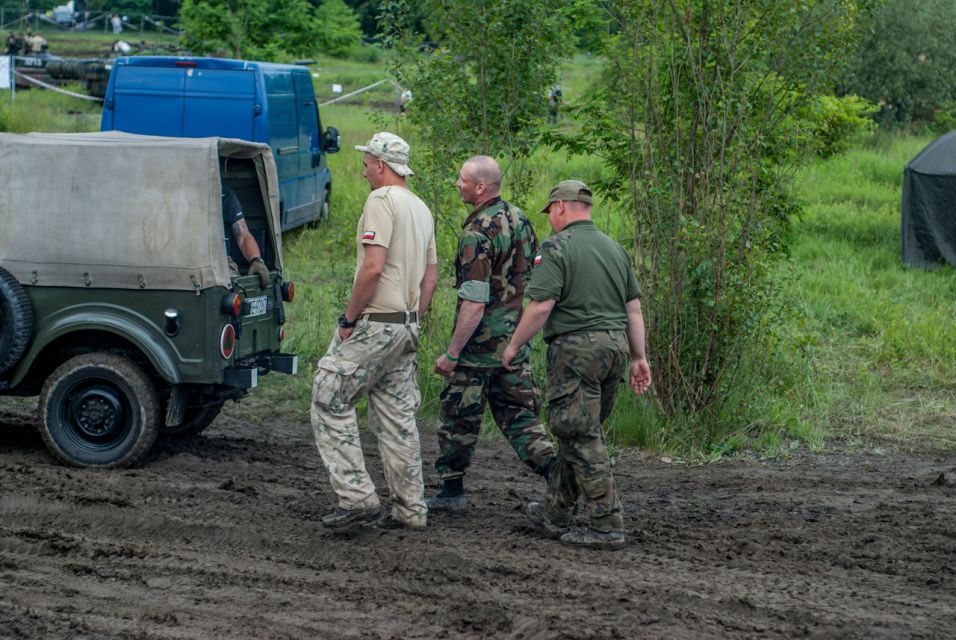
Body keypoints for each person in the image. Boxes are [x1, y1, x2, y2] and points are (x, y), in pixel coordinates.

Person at [502, 180, 652, 550]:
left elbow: (540, 305)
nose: (550, 218)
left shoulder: (556, 247)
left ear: (561, 207)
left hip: (576, 351)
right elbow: (633, 309)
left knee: (581, 434)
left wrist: (514, 345)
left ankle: (606, 523)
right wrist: (639, 357)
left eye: (551, 211)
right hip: (615, 348)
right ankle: (555, 512)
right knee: (578, 431)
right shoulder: (614, 248)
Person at [311, 132, 438, 530]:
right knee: (397, 418)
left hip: (376, 323)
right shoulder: (421, 208)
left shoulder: (382, 200)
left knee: (328, 394)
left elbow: (372, 268)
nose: (363, 170)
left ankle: (356, 498)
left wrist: (349, 320)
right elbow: (430, 277)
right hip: (406, 326)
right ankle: (410, 509)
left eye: (367, 163)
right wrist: (413, 317)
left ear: (381, 164)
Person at [427, 156, 556, 515]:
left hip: (479, 345)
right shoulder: (521, 220)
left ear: (480, 187)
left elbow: (473, 300)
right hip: (515, 340)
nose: (457, 184)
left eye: (462, 179)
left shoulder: (477, 233)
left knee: (458, 417)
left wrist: (452, 353)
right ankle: (561, 479)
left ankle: (452, 491)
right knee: (521, 417)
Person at [221, 184, 271, 288]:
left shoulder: (224, 194)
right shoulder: (179, 193)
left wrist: (256, 261)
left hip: (221, 260)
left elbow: (243, 235)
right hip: (185, 262)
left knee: (236, 290)